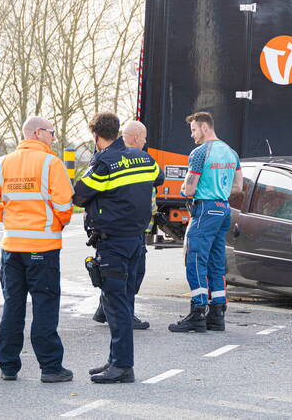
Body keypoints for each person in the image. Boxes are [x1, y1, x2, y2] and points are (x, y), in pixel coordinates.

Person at [73, 112, 162, 383]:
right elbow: (157, 179)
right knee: (124, 299)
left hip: (113, 242)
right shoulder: (145, 158)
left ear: (96, 136)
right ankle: (115, 359)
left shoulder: (104, 163)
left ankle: (122, 366)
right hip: (136, 240)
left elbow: (79, 194)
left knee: (115, 304)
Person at [0, 116, 74, 383]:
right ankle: (50, 368)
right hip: (42, 247)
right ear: (38, 133)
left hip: (11, 247)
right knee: (45, 306)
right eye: (51, 132)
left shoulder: (2, 163)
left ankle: (8, 366)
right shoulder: (51, 163)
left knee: (13, 306)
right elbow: (64, 207)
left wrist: (11, 219)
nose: (53, 137)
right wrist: (54, 223)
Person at [169, 111, 242, 333]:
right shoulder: (231, 153)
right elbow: (238, 187)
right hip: (224, 209)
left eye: (193, 130)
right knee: (216, 262)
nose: (192, 135)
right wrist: (219, 190)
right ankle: (217, 314)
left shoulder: (200, 153)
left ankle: (198, 313)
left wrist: (184, 188)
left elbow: (190, 188)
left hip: (206, 209)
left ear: (204, 127)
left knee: (196, 259)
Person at [90, 120, 159, 330]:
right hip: (124, 230)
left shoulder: (118, 157)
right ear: (137, 138)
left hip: (129, 228)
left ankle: (107, 309)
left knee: (124, 274)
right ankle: (122, 314)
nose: (146, 142)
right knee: (128, 274)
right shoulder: (121, 159)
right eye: (145, 138)